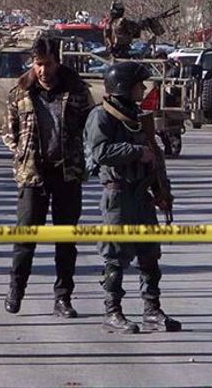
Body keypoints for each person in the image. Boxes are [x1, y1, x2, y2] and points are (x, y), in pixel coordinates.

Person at [84, 61, 181, 334]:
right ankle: (112, 311)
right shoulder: (102, 116)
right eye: (139, 84)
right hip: (118, 194)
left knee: (149, 255)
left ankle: (152, 310)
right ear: (124, 87)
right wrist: (135, 152)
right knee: (115, 257)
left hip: (142, 194)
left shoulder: (138, 116)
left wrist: (163, 191)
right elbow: (100, 152)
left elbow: (154, 153)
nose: (143, 88)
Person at [2, 37, 94, 317]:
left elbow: (90, 128)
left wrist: (82, 157)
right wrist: (21, 152)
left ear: (58, 61)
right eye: (38, 64)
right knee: (25, 238)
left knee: (65, 240)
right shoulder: (20, 92)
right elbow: (9, 131)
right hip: (32, 175)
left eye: (47, 64)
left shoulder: (77, 90)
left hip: (66, 174)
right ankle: (16, 290)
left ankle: (63, 298)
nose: (42, 70)